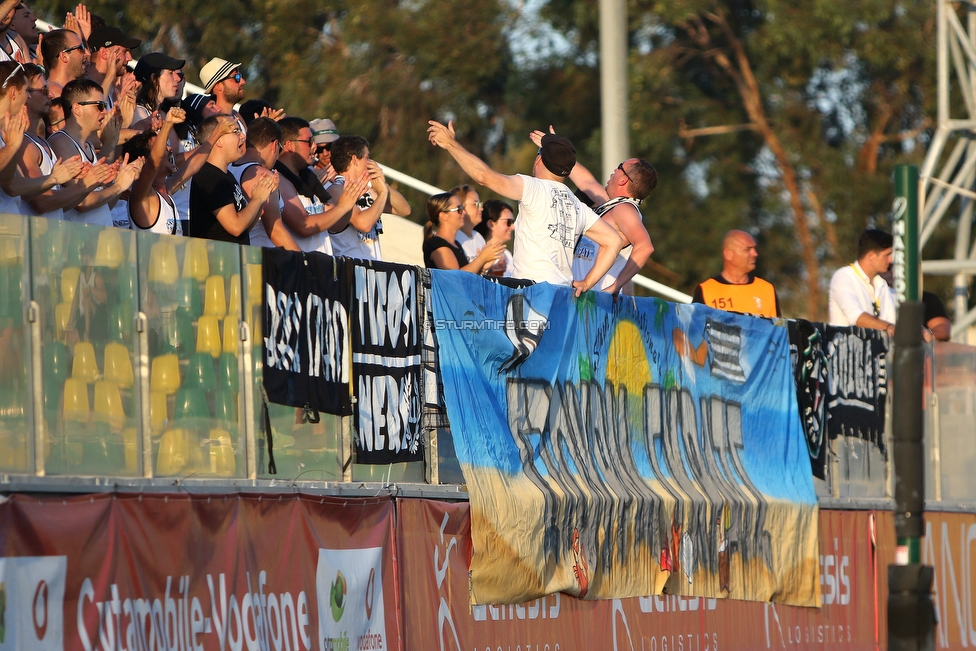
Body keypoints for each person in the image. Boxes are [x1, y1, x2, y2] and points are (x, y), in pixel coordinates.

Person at [427, 119, 622, 294]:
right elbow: (613, 241)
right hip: (562, 295)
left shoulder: (533, 187)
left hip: (532, 292)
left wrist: (451, 145)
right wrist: (586, 283)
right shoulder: (576, 205)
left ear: (539, 159)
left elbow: (483, 176)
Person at [529, 128, 657, 295]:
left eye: (620, 167)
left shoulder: (625, 210)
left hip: (597, 304)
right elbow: (586, 182)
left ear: (624, 179)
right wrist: (557, 150)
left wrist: (615, 286)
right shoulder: (613, 205)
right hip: (584, 302)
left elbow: (645, 247)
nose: (614, 170)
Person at [49, 79, 141, 226]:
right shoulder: (61, 142)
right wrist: (119, 186)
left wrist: (123, 178)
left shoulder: (88, 146)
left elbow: (104, 206)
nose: (104, 111)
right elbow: (81, 203)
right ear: (77, 109)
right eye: (99, 106)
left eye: (104, 105)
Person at [273, 116, 367, 254]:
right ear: (289, 145)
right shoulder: (278, 180)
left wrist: (349, 201)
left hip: (320, 269)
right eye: (309, 141)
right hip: (299, 270)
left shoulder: (310, 180)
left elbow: (336, 225)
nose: (314, 146)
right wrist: (342, 207)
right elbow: (303, 226)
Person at [188, 114, 277, 244]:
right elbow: (236, 227)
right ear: (218, 140)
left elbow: (244, 228)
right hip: (216, 261)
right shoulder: (208, 176)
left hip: (233, 259)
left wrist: (262, 195)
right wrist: (257, 199)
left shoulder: (226, 176)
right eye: (235, 131)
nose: (242, 136)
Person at [16, 62, 89, 219]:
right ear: (26, 95)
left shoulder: (41, 142)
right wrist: (85, 185)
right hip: (33, 239)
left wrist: (91, 183)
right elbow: (42, 202)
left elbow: (61, 206)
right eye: (44, 90)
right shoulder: (24, 143)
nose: (50, 95)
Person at [328, 134, 411, 261]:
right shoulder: (336, 190)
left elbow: (404, 209)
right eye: (367, 157)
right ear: (355, 159)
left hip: (371, 272)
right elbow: (364, 224)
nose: (371, 163)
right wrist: (382, 193)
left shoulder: (368, 189)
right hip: (350, 272)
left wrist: (384, 185)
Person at [227, 116, 297, 250]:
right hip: (260, 260)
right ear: (274, 145)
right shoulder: (262, 175)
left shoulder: (229, 167)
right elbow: (275, 230)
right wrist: (305, 263)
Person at [693, 230, 781, 317]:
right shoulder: (706, 290)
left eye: (754, 249)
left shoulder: (767, 289)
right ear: (729, 254)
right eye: (748, 249)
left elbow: (778, 329)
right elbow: (694, 328)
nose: (755, 254)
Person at [829, 228, 896, 334]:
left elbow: (896, 320)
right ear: (871, 256)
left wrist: (919, 330)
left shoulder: (883, 284)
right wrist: (889, 327)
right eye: (886, 255)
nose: (891, 260)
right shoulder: (843, 277)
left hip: (880, 350)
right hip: (846, 349)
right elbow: (857, 318)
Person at [423, 192, 503, 272]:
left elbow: (466, 276)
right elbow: (456, 277)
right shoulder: (438, 245)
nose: (464, 212)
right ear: (443, 215)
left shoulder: (455, 244)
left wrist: (483, 267)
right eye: (459, 209)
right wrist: (481, 259)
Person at [131, 52, 184, 123]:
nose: (177, 78)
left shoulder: (162, 114)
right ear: (154, 79)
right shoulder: (139, 113)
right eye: (170, 73)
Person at [199, 57, 247, 132]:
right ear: (218, 86)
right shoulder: (212, 125)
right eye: (236, 77)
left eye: (240, 76)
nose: (243, 82)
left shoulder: (237, 115)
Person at [40, 28, 87, 99]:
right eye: (81, 48)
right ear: (64, 56)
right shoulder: (52, 94)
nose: (87, 53)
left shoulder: (73, 90)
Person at [474, 198, 516, 277]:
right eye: (508, 222)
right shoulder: (477, 251)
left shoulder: (507, 254)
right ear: (491, 224)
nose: (513, 227)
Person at [451, 184, 486, 262]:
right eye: (475, 204)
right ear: (460, 208)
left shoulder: (478, 237)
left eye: (480, 204)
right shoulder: (453, 238)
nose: (481, 208)